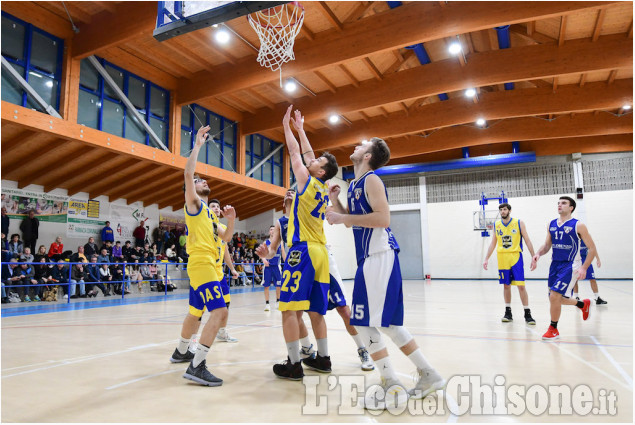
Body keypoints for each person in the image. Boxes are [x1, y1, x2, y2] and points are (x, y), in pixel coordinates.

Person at [326, 137, 445, 409]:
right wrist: (338, 204)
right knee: (387, 323)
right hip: (371, 258)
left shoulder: (372, 180)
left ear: (368, 156)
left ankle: (391, 384)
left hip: (379, 255)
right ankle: (429, 374)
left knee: (364, 321)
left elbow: (383, 219)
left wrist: (342, 217)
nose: (356, 145)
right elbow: (353, 225)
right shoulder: (355, 184)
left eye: (363, 145)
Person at [256, 106, 339, 380]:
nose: (312, 160)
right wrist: (302, 128)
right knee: (316, 311)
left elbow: (295, 154)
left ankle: (293, 364)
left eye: (318, 162)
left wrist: (286, 127)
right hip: (321, 253)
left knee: (289, 309)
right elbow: (308, 155)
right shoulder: (323, 188)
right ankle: (324, 359)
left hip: (302, 251)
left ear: (321, 171)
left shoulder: (307, 181)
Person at [169, 124, 235, 387]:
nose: (202, 181)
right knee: (219, 312)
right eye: (199, 181)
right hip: (202, 263)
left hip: (206, 267)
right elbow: (187, 172)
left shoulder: (209, 213)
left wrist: (231, 220)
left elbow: (227, 238)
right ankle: (198, 365)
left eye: (203, 181)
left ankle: (182, 351)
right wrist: (197, 145)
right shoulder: (194, 205)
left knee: (195, 313)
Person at [531, 196, 596, 341]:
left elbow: (592, 248)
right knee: (555, 299)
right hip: (555, 264)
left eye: (564, 203)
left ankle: (553, 329)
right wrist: (538, 254)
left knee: (555, 296)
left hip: (571, 264)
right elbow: (547, 245)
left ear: (571, 207)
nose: (560, 205)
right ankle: (582, 304)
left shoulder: (578, 225)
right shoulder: (551, 224)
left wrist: (584, 268)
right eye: (558, 203)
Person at [483, 203, 537, 324]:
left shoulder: (519, 223)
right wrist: (486, 258)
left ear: (509, 211)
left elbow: (527, 240)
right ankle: (508, 312)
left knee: (521, 286)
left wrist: (533, 255)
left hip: (515, 256)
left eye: (505, 209)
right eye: (501, 210)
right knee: (506, 285)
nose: (503, 211)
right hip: (502, 257)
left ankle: (527, 313)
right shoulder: (496, 225)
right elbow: (493, 243)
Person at [209, 199, 240, 343]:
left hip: (219, 272)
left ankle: (222, 332)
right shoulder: (205, 225)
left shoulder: (222, 227)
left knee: (226, 305)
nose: (216, 208)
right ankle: (194, 338)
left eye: (218, 207)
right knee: (201, 307)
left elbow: (225, 251)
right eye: (213, 206)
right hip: (207, 272)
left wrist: (232, 268)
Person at [262, 225, 283, 311]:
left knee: (278, 285)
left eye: (274, 230)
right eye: (271, 229)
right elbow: (261, 253)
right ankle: (267, 304)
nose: (272, 231)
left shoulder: (280, 242)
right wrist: (264, 260)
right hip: (267, 267)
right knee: (266, 286)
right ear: (269, 232)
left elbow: (283, 253)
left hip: (277, 266)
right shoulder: (265, 242)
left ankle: (278, 302)